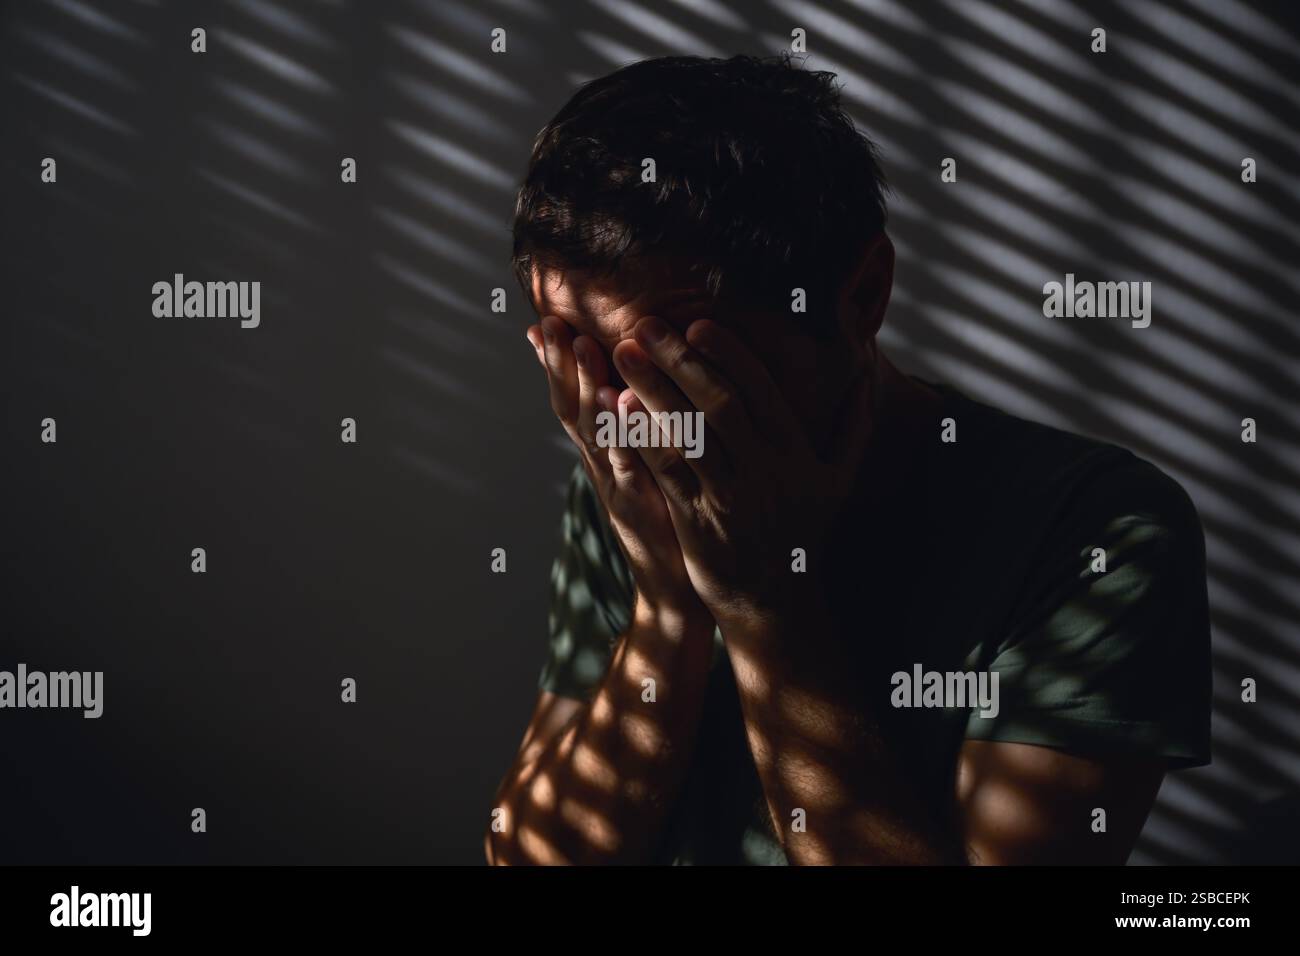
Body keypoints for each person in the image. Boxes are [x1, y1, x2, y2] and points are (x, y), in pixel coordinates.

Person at [486, 53, 1211, 865]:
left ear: (863, 295)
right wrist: (668, 605)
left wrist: (764, 602)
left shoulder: (1094, 532)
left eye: (679, 364)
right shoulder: (628, 488)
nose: (632, 420)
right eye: (585, 361)